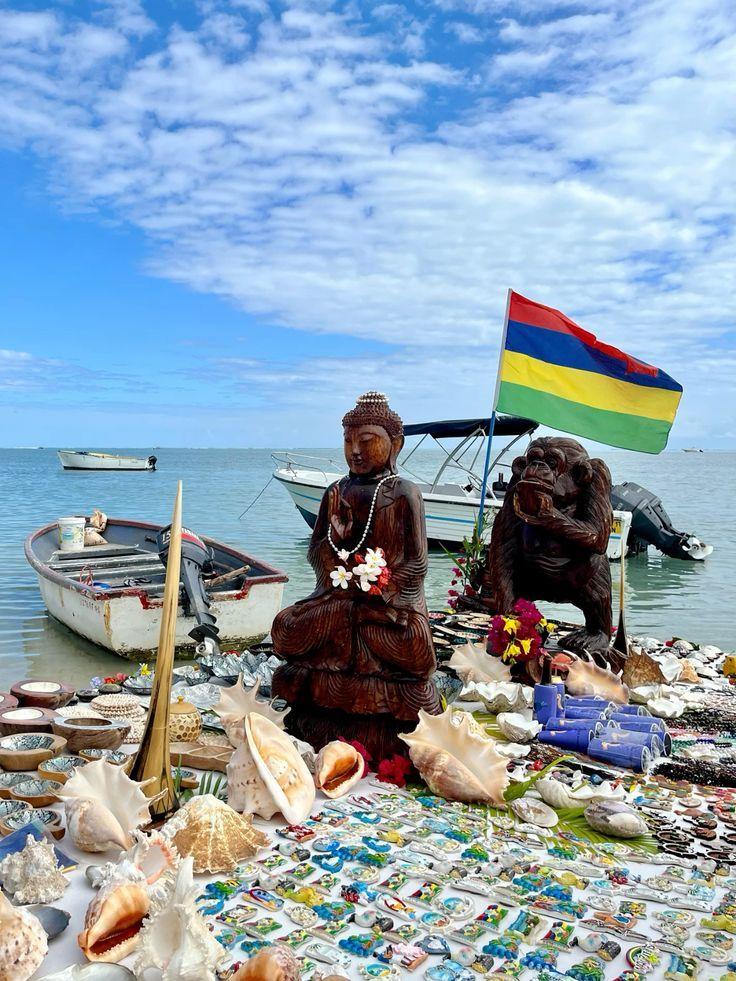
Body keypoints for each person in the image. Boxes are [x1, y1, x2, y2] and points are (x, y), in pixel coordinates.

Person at [272, 392, 440, 758]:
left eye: (366, 442)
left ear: (394, 444)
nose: (355, 451)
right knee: (285, 627)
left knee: (415, 644)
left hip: (385, 608)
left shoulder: (403, 493)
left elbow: (416, 563)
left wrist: (380, 586)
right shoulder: (335, 492)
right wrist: (339, 547)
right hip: (339, 601)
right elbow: (317, 552)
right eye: (348, 442)